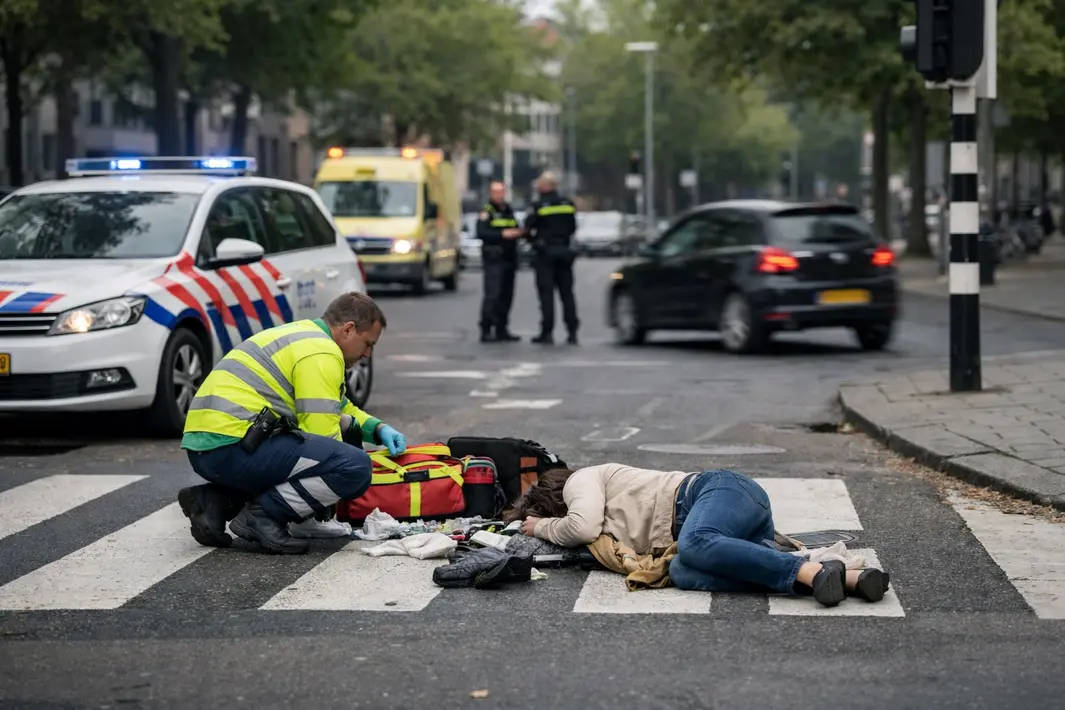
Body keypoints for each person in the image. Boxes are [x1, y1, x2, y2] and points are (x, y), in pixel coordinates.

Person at [177, 292, 408, 555]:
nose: (367, 354)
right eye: (368, 344)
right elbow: (323, 437)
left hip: (210, 447)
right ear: (348, 329)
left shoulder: (306, 336)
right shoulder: (322, 353)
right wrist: (322, 503)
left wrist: (377, 428)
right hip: (232, 445)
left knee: (323, 446)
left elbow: (338, 406)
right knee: (353, 466)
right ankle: (262, 516)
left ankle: (216, 501)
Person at [506, 465, 890, 607]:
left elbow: (582, 526)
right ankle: (849, 580)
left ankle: (806, 573)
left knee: (694, 543)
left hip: (717, 491)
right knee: (684, 571)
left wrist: (541, 527)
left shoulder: (580, 480)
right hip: (722, 528)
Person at [523, 171, 579, 345]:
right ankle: (572, 332)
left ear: (545, 186)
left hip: (545, 254)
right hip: (564, 252)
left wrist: (534, 241)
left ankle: (547, 332)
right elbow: (572, 227)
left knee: (546, 295)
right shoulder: (568, 204)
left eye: (540, 184)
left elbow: (527, 228)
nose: (538, 187)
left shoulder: (539, 205)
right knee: (567, 294)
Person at [476, 180, 522, 343]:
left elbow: (516, 226)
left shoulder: (508, 210)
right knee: (492, 295)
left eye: (502, 192)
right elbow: (481, 233)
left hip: (509, 258)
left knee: (506, 296)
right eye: (496, 192)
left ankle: (502, 328)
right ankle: (486, 329)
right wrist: (502, 234)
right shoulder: (486, 211)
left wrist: (518, 232)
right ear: (491, 193)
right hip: (494, 259)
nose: (500, 195)